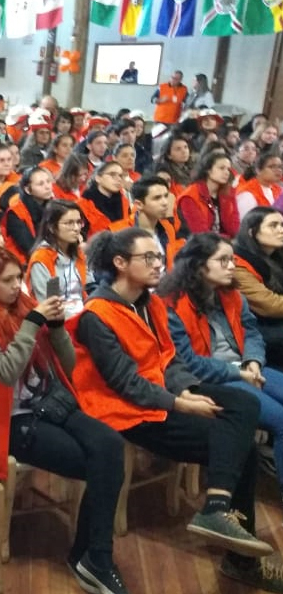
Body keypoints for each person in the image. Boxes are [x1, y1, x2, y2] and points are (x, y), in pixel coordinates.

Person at [71, 228, 283, 591]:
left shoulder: (150, 303)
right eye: (148, 258)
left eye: (159, 256)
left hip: (161, 394)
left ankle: (217, 507)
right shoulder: (98, 314)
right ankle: (236, 551)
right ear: (120, 263)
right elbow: (126, 383)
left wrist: (186, 388)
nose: (159, 264)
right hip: (126, 410)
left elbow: (168, 359)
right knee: (242, 446)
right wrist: (180, 402)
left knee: (244, 404)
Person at [0, 247, 129, 594]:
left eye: (18, 278)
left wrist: (57, 328)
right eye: (7, 280)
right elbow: (6, 372)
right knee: (100, 465)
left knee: (111, 444)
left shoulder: (22, 306)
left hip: (50, 402)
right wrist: (33, 323)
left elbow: (68, 365)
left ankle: (92, 556)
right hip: (8, 420)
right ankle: (94, 557)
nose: (16, 286)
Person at [162, 233, 283, 498]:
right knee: (281, 420)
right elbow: (187, 362)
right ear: (199, 265)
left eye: (232, 260)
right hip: (213, 378)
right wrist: (238, 372)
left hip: (246, 368)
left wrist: (253, 360)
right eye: (223, 261)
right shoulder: (172, 305)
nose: (232, 267)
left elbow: (251, 331)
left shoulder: (232, 294)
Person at [233, 207, 283, 369]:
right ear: (252, 232)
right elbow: (269, 305)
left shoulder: (276, 255)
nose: (280, 230)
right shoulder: (237, 263)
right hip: (255, 327)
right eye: (273, 225)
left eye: (282, 225)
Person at [27, 200, 90, 318]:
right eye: (69, 223)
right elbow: (49, 307)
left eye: (78, 222)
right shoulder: (42, 259)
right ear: (52, 227)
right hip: (59, 321)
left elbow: (90, 287)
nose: (76, 228)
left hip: (84, 315)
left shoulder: (78, 254)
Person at [176, 151, 239, 238]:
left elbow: (234, 229)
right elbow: (201, 233)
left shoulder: (228, 192)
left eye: (228, 169)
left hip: (225, 242)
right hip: (200, 244)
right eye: (221, 168)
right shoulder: (190, 197)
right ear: (208, 170)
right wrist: (228, 240)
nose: (227, 172)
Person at [129, 177, 185, 268]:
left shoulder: (168, 228)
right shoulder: (120, 231)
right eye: (157, 198)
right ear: (139, 204)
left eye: (166, 196)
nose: (165, 203)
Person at [2, 166, 54, 263]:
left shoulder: (53, 206)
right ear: (27, 190)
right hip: (22, 263)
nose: (47, 187)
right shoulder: (14, 213)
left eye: (48, 181)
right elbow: (30, 247)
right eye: (41, 184)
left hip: (47, 255)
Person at [78, 161, 130, 236]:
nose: (118, 179)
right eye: (112, 174)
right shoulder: (83, 204)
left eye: (121, 176)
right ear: (98, 178)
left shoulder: (125, 202)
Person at [237, 152, 283, 219]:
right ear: (258, 170)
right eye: (272, 167)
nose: (278, 170)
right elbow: (246, 222)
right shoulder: (247, 193)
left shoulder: (279, 189)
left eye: (280, 167)